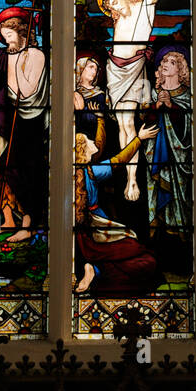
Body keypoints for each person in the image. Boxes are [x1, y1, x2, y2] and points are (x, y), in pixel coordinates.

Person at [77, 0, 177, 201]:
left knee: (129, 123)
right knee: (122, 125)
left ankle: (133, 182)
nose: (112, 7)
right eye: (109, 5)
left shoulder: (146, 7)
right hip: (114, 67)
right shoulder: (118, 17)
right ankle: (127, 178)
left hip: (134, 69)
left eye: (115, 0)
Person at [0, 6, 48, 241]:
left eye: (9, 35)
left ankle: (29, 224)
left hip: (30, 122)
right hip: (6, 121)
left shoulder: (36, 55)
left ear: (22, 31)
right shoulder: (8, 54)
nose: (6, 40)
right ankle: (21, 222)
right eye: (4, 36)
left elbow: (25, 92)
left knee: (25, 169)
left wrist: (15, 62)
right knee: (9, 168)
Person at [74, 125, 160, 294]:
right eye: (88, 140)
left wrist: (100, 121)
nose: (93, 141)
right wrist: (139, 139)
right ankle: (92, 269)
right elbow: (121, 159)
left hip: (87, 228)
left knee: (125, 251)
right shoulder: (91, 172)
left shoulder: (81, 171)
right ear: (84, 149)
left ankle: (92, 268)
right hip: (95, 224)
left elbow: (100, 142)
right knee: (133, 247)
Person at [146, 49, 193, 241]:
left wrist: (172, 107)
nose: (166, 64)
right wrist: (155, 108)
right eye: (164, 60)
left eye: (172, 62)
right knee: (155, 192)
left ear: (180, 69)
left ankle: (180, 235)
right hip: (154, 152)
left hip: (178, 157)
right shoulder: (151, 92)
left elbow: (190, 125)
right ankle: (155, 235)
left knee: (178, 196)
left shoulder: (188, 94)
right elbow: (142, 121)